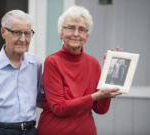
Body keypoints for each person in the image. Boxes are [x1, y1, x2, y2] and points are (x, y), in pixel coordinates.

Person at [37, 6, 121, 135]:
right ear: (61, 33)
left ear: (87, 36)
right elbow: (59, 108)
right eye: (71, 28)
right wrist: (95, 96)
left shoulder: (93, 63)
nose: (76, 34)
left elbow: (100, 109)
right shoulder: (52, 62)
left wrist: (109, 75)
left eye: (81, 29)